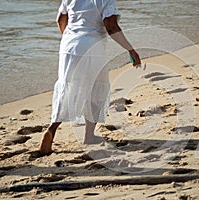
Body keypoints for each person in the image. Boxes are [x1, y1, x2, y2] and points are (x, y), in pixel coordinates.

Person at [39, 0, 141, 155]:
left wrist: (72, 38)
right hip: (93, 47)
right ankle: (89, 135)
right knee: (95, 88)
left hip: (68, 46)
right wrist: (131, 50)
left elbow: (61, 19)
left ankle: (51, 129)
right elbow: (111, 26)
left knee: (67, 88)